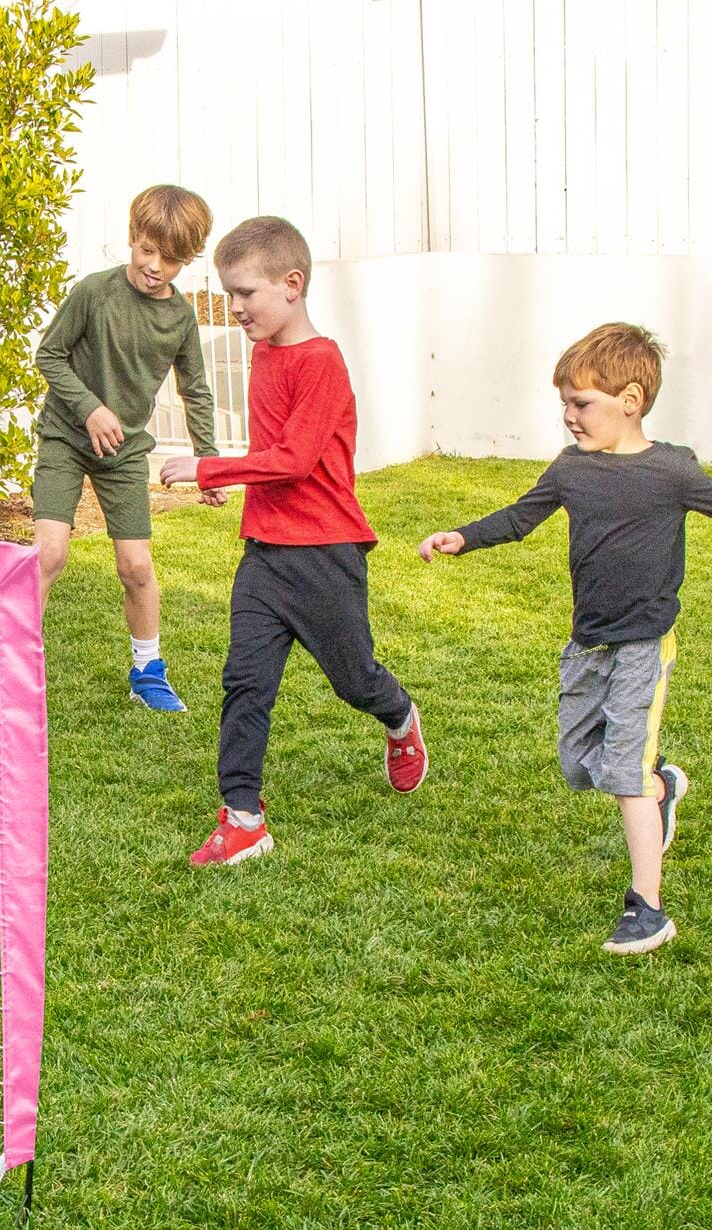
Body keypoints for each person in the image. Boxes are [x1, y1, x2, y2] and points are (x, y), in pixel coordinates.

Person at [419, 323, 712, 954]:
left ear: (631, 400)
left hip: (644, 641)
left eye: (581, 403)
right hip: (587, 641)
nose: (569, 417)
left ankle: (647, 908)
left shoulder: (672, 470)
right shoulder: (571, 470)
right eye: (564, 403)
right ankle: (662, 787)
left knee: (622, 771)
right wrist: (463, 536)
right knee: (577, 761)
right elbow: (520, 516)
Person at [159, 215, 428, 865]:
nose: (236, 308)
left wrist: (209, 467)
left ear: (292, 283)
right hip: (264, 554)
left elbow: (296, 459)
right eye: (229, 295)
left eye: (245, 294)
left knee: (354, 679)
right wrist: (230, 482)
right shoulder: (263, 352)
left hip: (326, 554)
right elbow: (270, 452)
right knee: (245, 679)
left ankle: (398, 717)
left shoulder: (322, 361)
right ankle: (243, 817)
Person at [33, 183, 227, 712]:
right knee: (48, 554)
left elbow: (196, 389)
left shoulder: (181, 318)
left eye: (170, 259)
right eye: (147, 250)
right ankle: (10, 676)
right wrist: (90, 408)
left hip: (123, 452)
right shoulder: (93, 292)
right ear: (131, 239)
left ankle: (148, 671)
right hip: (66, 438)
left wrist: (206, 463)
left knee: (137, 567)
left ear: (188, 259)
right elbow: (49, 356)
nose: (154, 266)